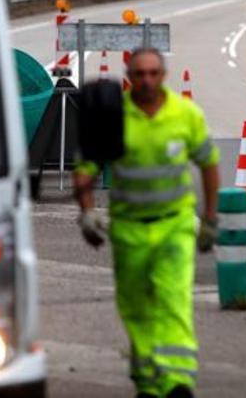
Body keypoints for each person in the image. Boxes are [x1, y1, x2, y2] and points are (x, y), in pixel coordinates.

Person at [74, 47, 220, 398]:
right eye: (139, 74)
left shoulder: (185, 114)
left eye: (153, 73)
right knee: (135, 306)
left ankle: (177, 381)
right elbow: (87, 168)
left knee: (173, 299)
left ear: (164, 75)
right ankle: (148, 380)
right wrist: (87, 212)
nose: (147, 80)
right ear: (129, 77)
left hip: (175, 225)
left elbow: (208, 165)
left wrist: (210, 219)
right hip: (129, 229)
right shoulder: (113, 117)